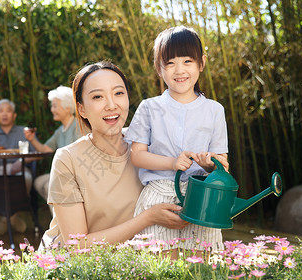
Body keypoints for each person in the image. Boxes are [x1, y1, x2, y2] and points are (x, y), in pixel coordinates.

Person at [40, 61, 188, 250]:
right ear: (82, 109)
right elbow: (76, 246)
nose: (111, 105)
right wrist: (148, 218)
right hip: (74, 270)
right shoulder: (67, 160)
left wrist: (211, 166)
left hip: (134, 268)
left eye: (118, 93)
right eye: (98, 97)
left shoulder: (150, 146)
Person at [125, 26, 229, 252]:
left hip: (202, 197)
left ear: (201, 63)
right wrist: (172, 163)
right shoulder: (149, 107)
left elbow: (223, 163)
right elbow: (137, 156)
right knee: (158, 271)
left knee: (200, 270)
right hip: (159, 195)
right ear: (159, 68)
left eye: (187, 61)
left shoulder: (215, 110)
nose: (179, 70)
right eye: (170, 63)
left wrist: (209, 163)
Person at [0, 99, 35, 235]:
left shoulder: (24, 131)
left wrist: (22, 162)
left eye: (8, 111)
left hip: (20, 170)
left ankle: (5, 221)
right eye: (0, 111)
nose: (4, 114)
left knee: (26, 180)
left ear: (14, 115)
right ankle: (12, 220)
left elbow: (37, 153)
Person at [24, 85, 81, 203]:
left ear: (67, 107)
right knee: (39, 182)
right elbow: (45, 149)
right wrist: (32, 139)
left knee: (50, 187)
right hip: (63, 173)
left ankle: (61, 219)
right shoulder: (60, 131)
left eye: (55, 106)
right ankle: (60, 216)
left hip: (76, 175)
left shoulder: (78, 126)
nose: (52, 110)